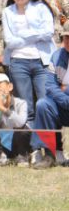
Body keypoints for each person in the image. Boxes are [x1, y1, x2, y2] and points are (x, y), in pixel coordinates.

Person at [2, 0, 56, 126]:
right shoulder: (7, 12)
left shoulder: (42, 8)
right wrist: (35, 34)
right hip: (18, 62)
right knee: (26, 108)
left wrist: (23, 35)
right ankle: (33, 147)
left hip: (43, 63)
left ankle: (53, 147)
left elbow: (48, 33)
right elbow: (10, 41)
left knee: (46, 104)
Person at [30, 22, 69, 169]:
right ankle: (49, 154)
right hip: (63, 105)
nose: (68, 41)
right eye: (66, 38)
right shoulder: (57, 56)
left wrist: (64, 88)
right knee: (43, 104)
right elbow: (51, 86)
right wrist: (65, 96)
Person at [0, 73, 30, 168]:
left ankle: (22, 156)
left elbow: (21, 123)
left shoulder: (21, 103)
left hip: (18, 143)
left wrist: (4, 109)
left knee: (24, 129)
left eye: (0, 86)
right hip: (3, 146)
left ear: (10, 87)